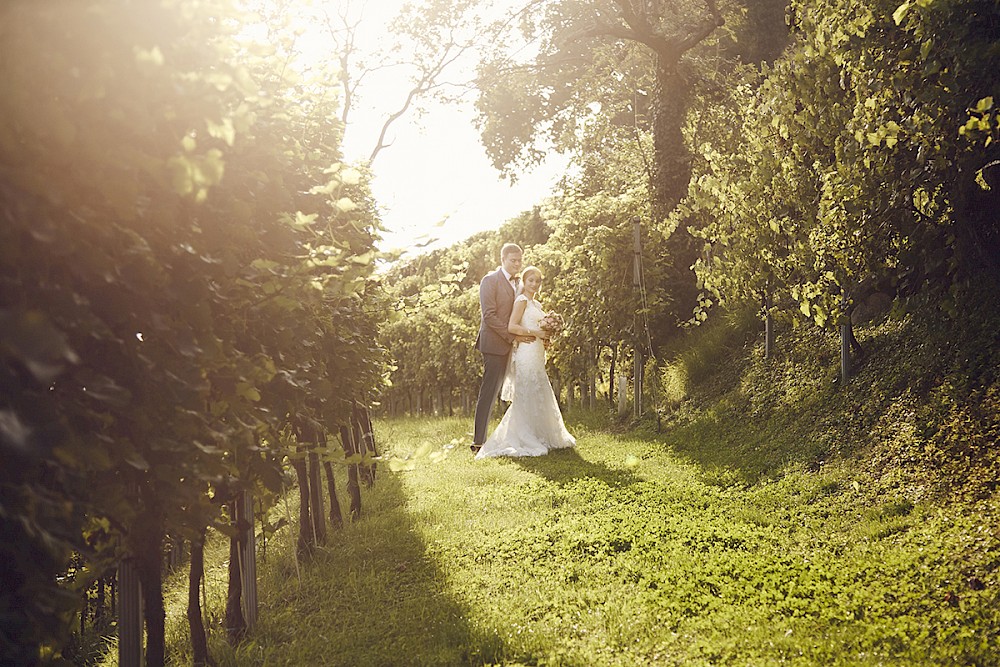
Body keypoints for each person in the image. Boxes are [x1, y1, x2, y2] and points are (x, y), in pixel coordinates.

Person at [475, 265, 575, 459]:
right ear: (524, 281)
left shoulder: (537, 305)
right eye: (531, 280)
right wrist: (535, 333)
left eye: (538, 281)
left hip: (536, 352)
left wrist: (546, 337)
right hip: (526, 352)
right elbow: (512, 326)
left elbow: (536, 327)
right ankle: (524, 436)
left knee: (538, 388)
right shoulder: (521, 300)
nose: (534, 284)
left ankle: (541, 433)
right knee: (527, 390)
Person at [472, 243, 535, 454]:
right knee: (490, 391)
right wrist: (512, 336)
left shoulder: (520, 283)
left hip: (516, 346)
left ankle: (520, 436)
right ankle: (478, 441)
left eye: (519, 260)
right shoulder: (489, 281)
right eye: (513, 260)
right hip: (495, 345)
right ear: (503, 260)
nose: (517, 264)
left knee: (521, 390)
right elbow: (489, 316)